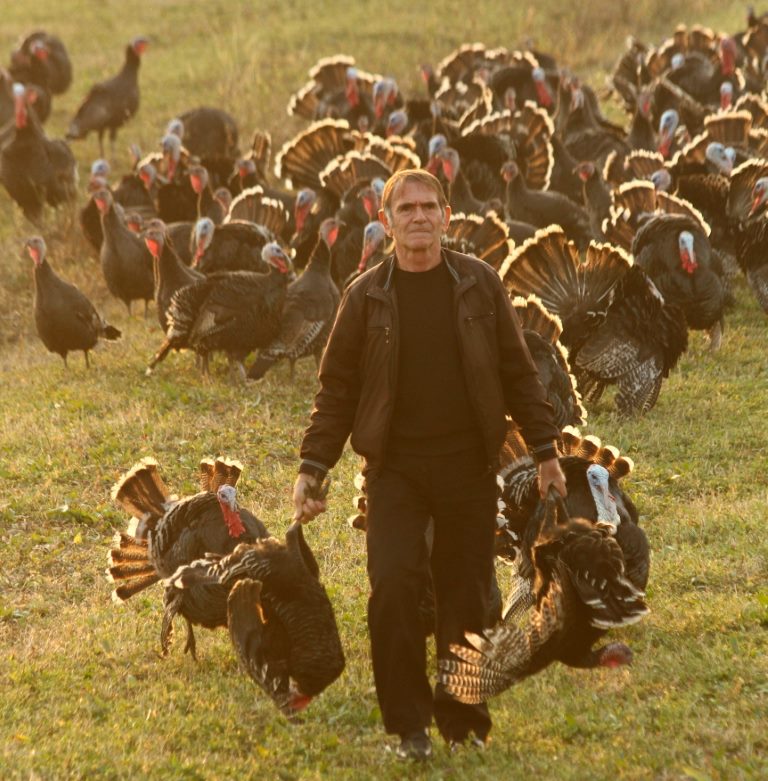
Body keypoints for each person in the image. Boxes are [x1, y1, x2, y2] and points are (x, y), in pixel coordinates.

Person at [292, 168, 566, 761]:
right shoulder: (364, 296)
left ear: (446, 215)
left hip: (469, 466)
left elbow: (520, 375)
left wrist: (546, 454)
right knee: (393, 587)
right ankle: (409, 727)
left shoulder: (479, 284)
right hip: (394, 472)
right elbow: (335, 391)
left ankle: (462, 718)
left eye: (428, 206)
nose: (418, 217)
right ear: (386, 222)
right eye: (406, 208)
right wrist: (312, 467)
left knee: (466, 594)